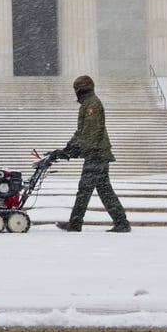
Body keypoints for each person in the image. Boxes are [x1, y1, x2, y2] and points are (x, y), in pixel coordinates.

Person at [55, 75, 132, 233]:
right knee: (104, 190)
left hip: (96, 153)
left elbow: (91, 130)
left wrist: (78, 148)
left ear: (82, 89)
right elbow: (81, 131)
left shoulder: (92, 104)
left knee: (84, 189)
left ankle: (75, 223)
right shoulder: (87, 104)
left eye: (76, 88)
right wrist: (68, 147)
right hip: (96, 152)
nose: (75, 92)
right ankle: (121, 222)